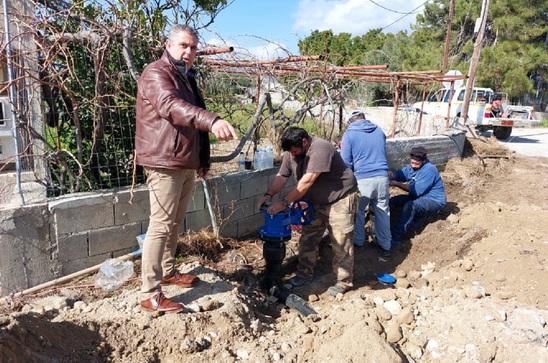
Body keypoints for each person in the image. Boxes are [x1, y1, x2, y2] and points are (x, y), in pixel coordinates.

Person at [135, 24, 238, 314]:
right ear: (168, 45)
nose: (189, 52)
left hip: (183, 160)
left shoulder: (186, 77)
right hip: (163, 160)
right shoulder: (157, 72)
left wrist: (202, 160)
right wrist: (212, 120)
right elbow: (171, 107)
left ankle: (168, 271)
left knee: (174, 223)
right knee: (160, 226)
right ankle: (149, 293)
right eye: (183, 45)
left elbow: (192, 126)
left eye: (192, 47)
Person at [257, 127, 358, 296]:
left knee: (341, 241)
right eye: (289, 151)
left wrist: (283, 202)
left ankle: (343, 281)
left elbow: (308, 180)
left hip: (340, 199)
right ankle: (304, 274)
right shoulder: (291, 153)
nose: (292, 154)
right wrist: (268, 195)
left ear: (304, 141)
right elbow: (282, 176)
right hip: (314, 203)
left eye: (294, 150)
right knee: (307, 240)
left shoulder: (320, 149)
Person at [340, 110, 392, 257]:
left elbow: (345, 163)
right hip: (382, 177)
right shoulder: (379, 131)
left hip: (363, 179)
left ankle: (359, 242)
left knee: (358, 211)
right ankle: (385, 246)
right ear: (364, 119)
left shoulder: (349, 134)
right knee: (383, 212)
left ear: (350, 121)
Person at [389, 146, 446, 247]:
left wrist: (396, 184)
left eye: (417, 163)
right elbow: (401, 174)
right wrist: (392, 174)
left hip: (433, 200)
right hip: (417, 198)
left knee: (410, 206)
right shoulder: (411, 167)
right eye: (412, 163)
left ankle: (396, 238)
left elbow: (416, 190)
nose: (414, 166)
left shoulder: (429, 169)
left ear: (423, 161)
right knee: (393, 201)